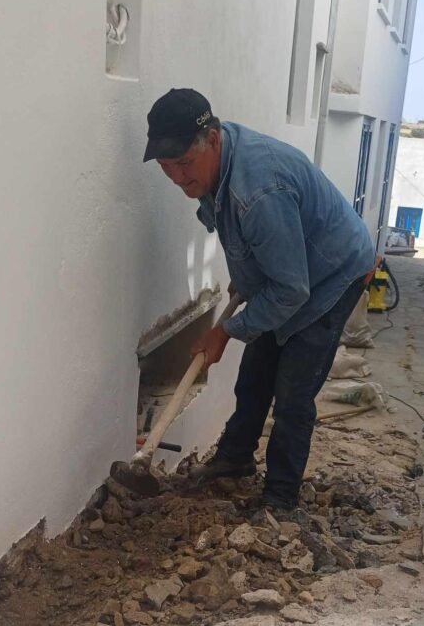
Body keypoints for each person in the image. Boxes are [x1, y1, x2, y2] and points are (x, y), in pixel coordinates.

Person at [143, 88, 375, 511]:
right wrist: (247, 282)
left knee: (292, 393)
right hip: (291, 272)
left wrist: (225, 332)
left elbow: (291, 290)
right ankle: (234, 459)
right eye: (165, 167)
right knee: (255, 374)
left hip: (333, 274)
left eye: (184, 163)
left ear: (213, 139)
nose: (176, 177)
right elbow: (245, 238)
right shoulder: (218, 164)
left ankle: (281, 498)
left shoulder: (259, 192)